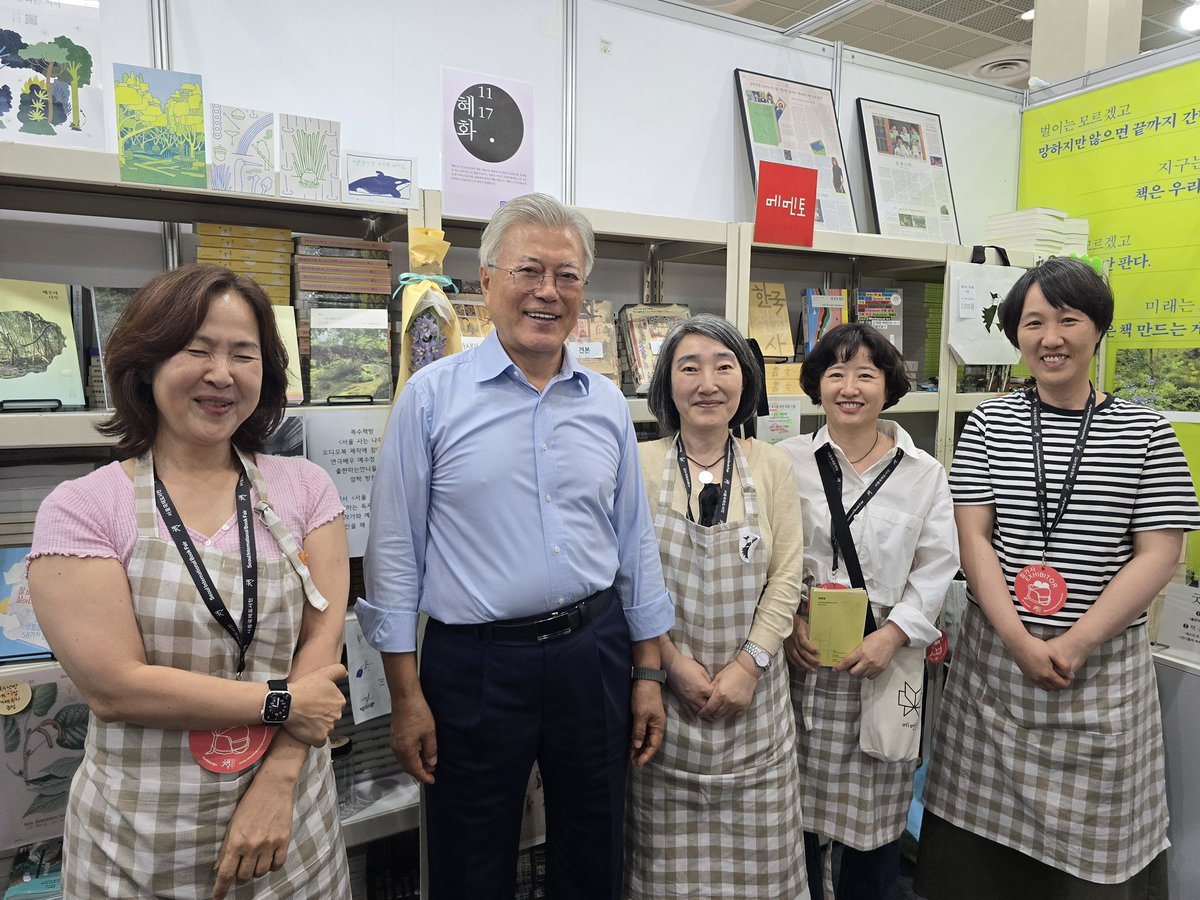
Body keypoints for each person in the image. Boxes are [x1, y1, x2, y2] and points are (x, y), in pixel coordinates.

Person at [359, 193, 674, 899]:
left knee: (594, 854)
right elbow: (394, 552)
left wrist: (647, 673)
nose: (547, 291)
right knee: (470, 862)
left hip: (593, 653)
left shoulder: (605, 404)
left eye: (566, 276)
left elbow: (634, 544)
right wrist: (405, 695)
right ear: (487, 281)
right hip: (475, 664)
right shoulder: (431, 398)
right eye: (528, 270)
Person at [28, 264, 351, 899]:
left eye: (243, 354)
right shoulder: (83, 508)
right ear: (146, 364)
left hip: (291, 821)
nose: (221, 374)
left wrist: (278, 780)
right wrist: (282, 703)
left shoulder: (305, 488)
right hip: (139, 839)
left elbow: (323, 643)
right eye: (197, 350)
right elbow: (116, 688)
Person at [916, 257, 1200, 899]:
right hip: (996, 670)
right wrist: (1019, 639)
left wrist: (1075, 642)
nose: (1051, 338)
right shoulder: (989, 422)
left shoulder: (1146, 431)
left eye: (1068, 320)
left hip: (1099, 669)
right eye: (1033, 322)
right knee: (977, 858)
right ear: (1016, 334)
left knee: (1096, 855)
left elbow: (1160, 552)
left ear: (1097, 328)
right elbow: (973, 536)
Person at [625, 314, 809, 898]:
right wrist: (672, 663)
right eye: (690, 368)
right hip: (665, 703)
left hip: (754, 710)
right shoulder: (639, 464)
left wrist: (748, 666)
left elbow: (786, 578)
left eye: (723, 366)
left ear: (744, 380)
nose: (708, 383)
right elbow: (628, 580)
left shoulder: (771, 465)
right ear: (667, 383)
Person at [778, 322, 958, 900]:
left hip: (883, 661)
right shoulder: (785, 462)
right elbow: (771, 558)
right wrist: (789, 624)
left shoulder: (923, 473)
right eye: (836, 373)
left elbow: (937, 566)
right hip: (803, 667)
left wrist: (893, 635)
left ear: (888, 385)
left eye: (865, 374)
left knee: (874, 831)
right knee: (793, 824)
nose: (849, 388)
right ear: (817, 385)